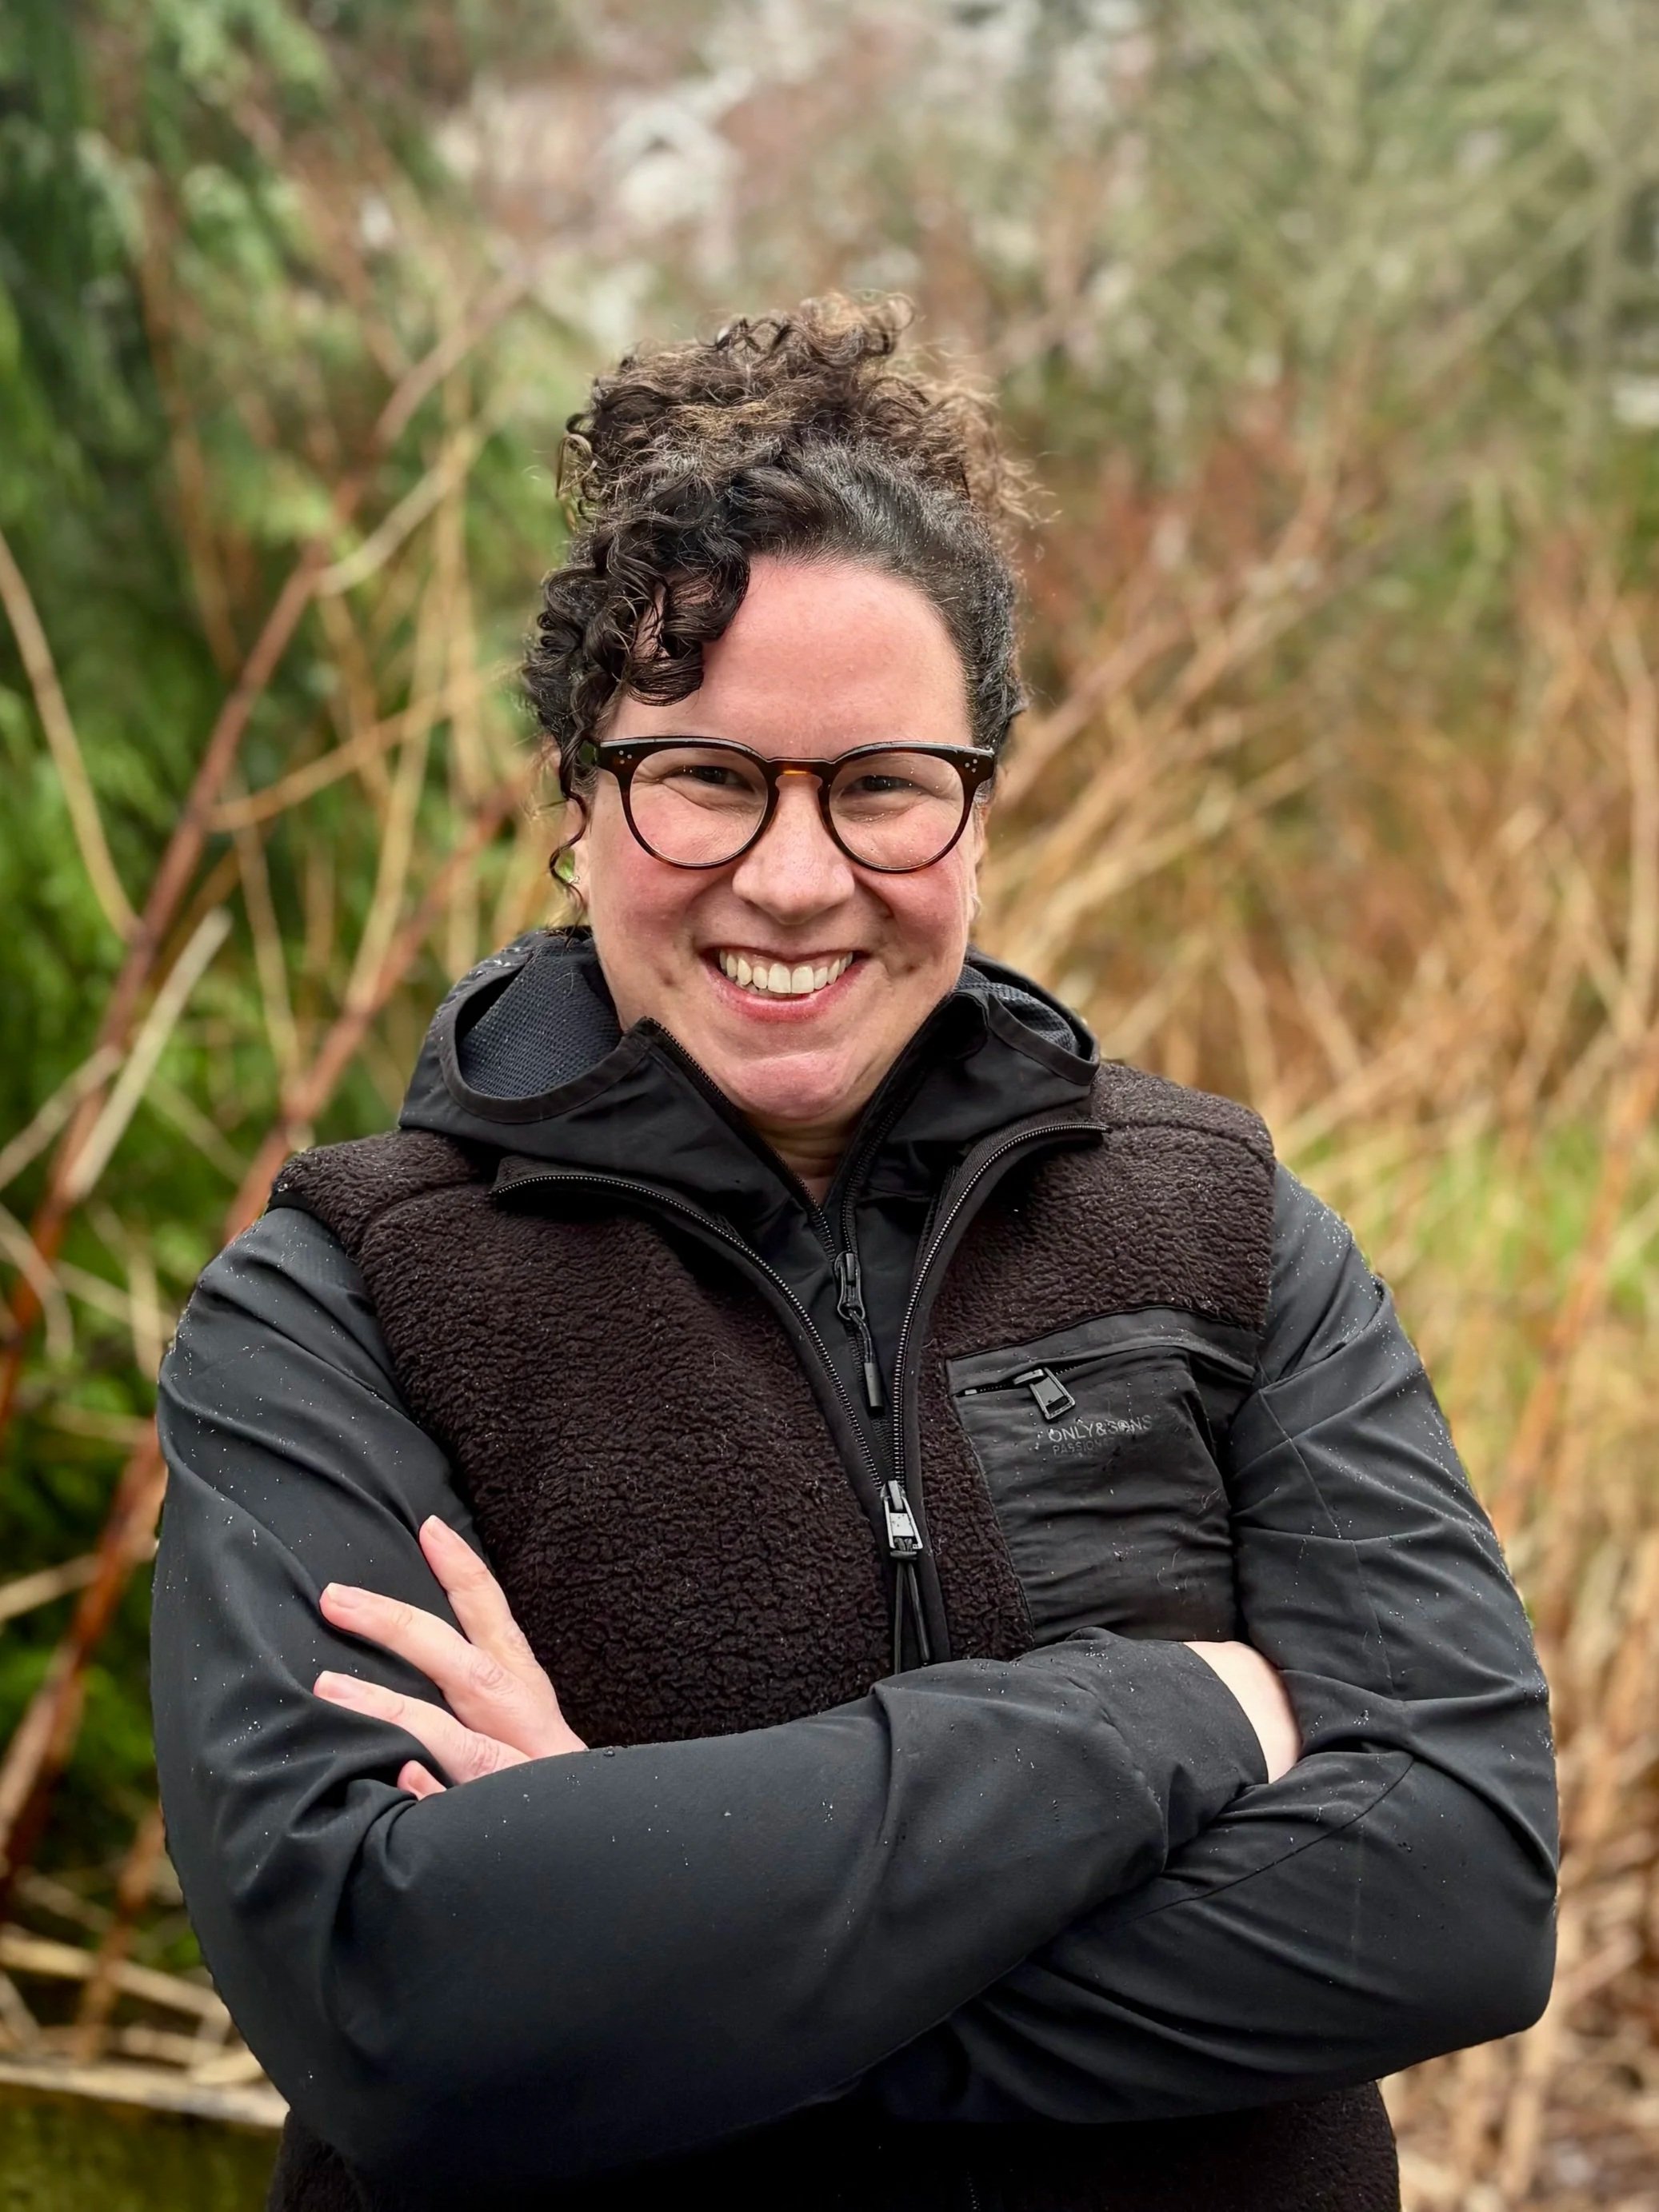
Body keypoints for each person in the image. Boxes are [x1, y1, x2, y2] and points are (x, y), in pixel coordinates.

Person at [150, 298, 1557, 2212]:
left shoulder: (1226, 1229)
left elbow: (1453, 1892)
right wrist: (1153, 1717)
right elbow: (391, 2003)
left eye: (880, 785)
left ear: (977, 806)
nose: (796, 879)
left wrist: (651, 1964)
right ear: (578, 800)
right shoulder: (339, 1303)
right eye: (705, 778)